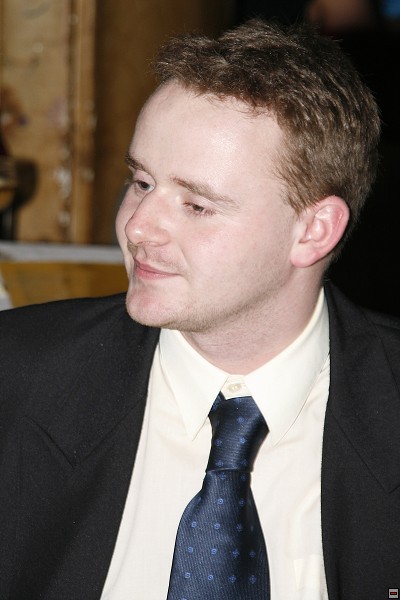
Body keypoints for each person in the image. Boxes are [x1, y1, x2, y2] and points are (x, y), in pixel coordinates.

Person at [0, 18, 398, 600]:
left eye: (196, 205)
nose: (138, 227)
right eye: (141, 182)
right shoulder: (16, 379)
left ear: (314, 230)